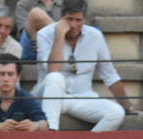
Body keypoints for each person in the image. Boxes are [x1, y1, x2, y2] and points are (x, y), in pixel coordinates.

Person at [34, 0, 134, 131]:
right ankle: (50, 133)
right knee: (55, 77)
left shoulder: (95, 36)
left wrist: (128, 106)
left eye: (78, 20)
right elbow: (53, 69)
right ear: (61, 17)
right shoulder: (44, 34)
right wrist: (59, 36)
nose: (74, 25)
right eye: (69, 19)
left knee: (116, 113)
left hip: (81, 98)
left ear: (84, 20)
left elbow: (109, 75)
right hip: (49, 96)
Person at [0, 54, 48, 130]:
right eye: (2, 74)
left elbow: (45, 124)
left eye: (10, 74)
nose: (6, 79)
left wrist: (35, 125)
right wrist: (1, 126)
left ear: (18, 77)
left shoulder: (26, 98)